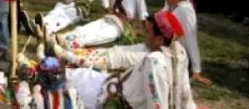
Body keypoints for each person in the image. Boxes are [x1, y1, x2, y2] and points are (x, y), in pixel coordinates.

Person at [65, 10, 196, 109]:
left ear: (160, 39)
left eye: (148, 32)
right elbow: (185, 91)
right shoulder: (179, 51)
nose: (145, 35)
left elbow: (157, 103)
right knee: (82, 75)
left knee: (70, 80)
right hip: (113, 84)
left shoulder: (154, 61)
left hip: (110, 97)